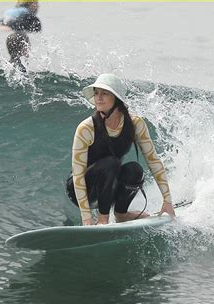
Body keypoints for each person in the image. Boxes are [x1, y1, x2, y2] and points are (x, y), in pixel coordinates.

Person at [66, 73, 176, 226]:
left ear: (117, 99)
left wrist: (167, 201)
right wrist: (86, 218)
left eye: (104, 93)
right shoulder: (86, 128)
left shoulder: (135, 124)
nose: (98, 97)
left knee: (135, 170)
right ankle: (102, 219)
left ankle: (121, 214)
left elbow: (153, 161)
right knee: (111, 163)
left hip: (109, 186)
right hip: (83, 189)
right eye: (96, 93)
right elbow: (78, 176)